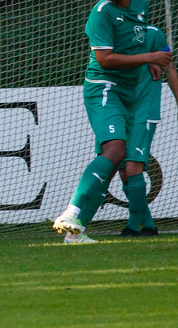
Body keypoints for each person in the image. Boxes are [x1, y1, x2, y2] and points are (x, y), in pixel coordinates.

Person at [53, 0, 172, 242]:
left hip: (131, 94)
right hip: (104, 88)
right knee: (117, 151)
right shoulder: (101, 14)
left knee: (109, 160)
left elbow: (139, 40)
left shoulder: (141, 5)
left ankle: (76, 231)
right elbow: (105, 60)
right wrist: (149, 58)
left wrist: (150, 62)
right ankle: (71, 212)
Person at [69, 24, 177, 242]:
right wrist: (147, 59)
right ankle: (146, 224)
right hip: (116, 108)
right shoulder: (108, 35)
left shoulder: (152, 34)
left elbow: (170, 67)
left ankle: (133, 226)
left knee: (133, 166)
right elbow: (104, 62)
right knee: (120, 169)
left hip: (143, 110)